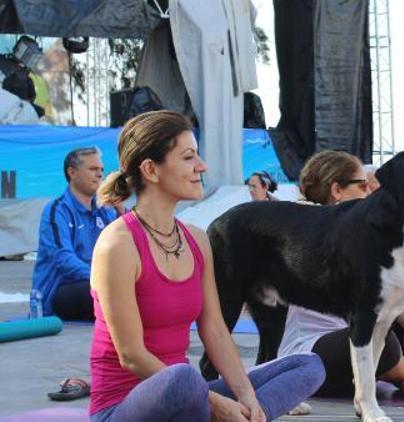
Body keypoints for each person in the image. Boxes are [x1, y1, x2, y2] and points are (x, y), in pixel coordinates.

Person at [90, 111, 324, 421]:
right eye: (188, 158)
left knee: (307, 366)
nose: (202, 166)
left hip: (191, 399)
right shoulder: (118, 244)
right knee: (184, 378)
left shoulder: (197, 240)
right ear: (151, 169)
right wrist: (215, 402)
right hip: (126, 407)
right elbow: (131, 355)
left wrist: (246, 396)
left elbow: (214, 330)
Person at [278, 150, 404, 400]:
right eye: (362, 186)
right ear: (337, 191)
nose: (371, 194)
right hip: (314, 348)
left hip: (355, 329)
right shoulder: (307, 225)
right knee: (383, 341)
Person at [31, 146, 119, 320]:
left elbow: (123, 251)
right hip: (63, 290)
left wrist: (123, 213)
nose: (100, 174)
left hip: (96, 282)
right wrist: (102, 277)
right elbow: (63, 259)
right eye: (93, 169)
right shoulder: (56, 210)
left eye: (101, 170)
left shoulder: (107, 210)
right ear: (72, 172)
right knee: (113, 291)